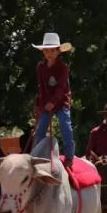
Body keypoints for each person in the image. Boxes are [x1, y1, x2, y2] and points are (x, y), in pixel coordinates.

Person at [32, 32, 76, 167]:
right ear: (43, 51)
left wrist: (53, 102)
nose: (49, 53)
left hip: (61, 102)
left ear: (58, 51)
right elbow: (41, 88)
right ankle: (35, 156)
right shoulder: (40, 67)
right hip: (46, 103)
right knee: (40, 130)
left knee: (65, 127)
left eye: (52, 50)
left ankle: (69, 157)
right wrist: (39, 105)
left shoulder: (63, 68)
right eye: (46, 50)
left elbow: (61, 88)